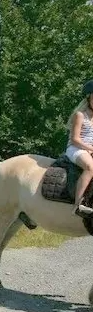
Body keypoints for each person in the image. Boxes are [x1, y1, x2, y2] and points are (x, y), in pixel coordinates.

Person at [65, 79, 93, 216]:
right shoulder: (80, 115)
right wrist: (90, 148)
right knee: (90, 167)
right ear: (88, 97)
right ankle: (78, 205)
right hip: (75, 148)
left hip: (88, 149)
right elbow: (75, 139)